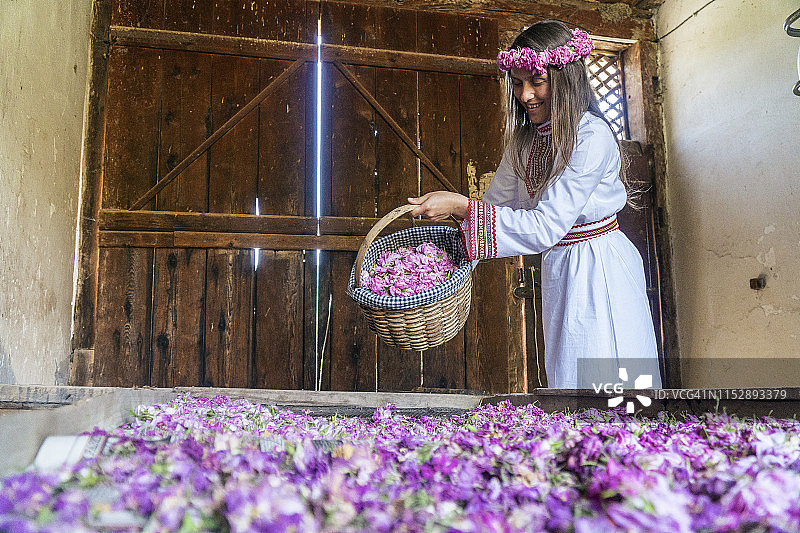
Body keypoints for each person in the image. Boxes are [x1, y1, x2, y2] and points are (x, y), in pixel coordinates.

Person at [408, 20, 662, 389]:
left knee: (609, 382)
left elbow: (544, 226)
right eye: (517, 83)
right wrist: (437, 267)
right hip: (560, 265)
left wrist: (463, 206)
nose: (525, 95)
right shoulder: (525, 143)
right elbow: (494, 208)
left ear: (566, 80)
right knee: (569, 379)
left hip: (599, 267)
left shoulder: (591, 137)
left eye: (536, 81)